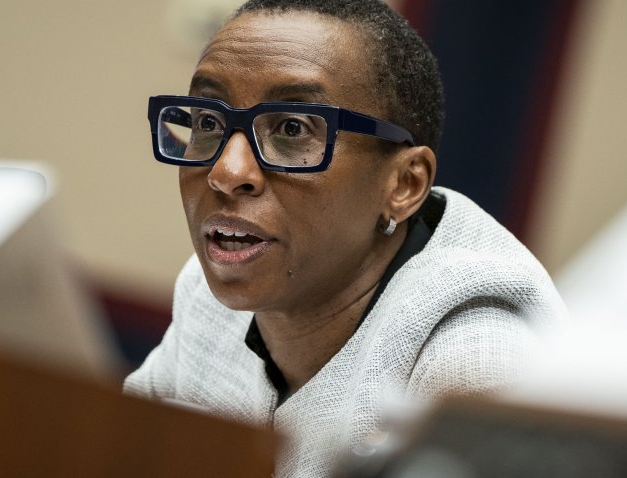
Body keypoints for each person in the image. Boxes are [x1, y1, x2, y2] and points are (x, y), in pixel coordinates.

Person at [125, 0, 566, 475]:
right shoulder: (206, 296)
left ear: (404, 185)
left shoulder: (481, 360)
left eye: (293, 128)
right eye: (208, 123)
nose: (227, 172)